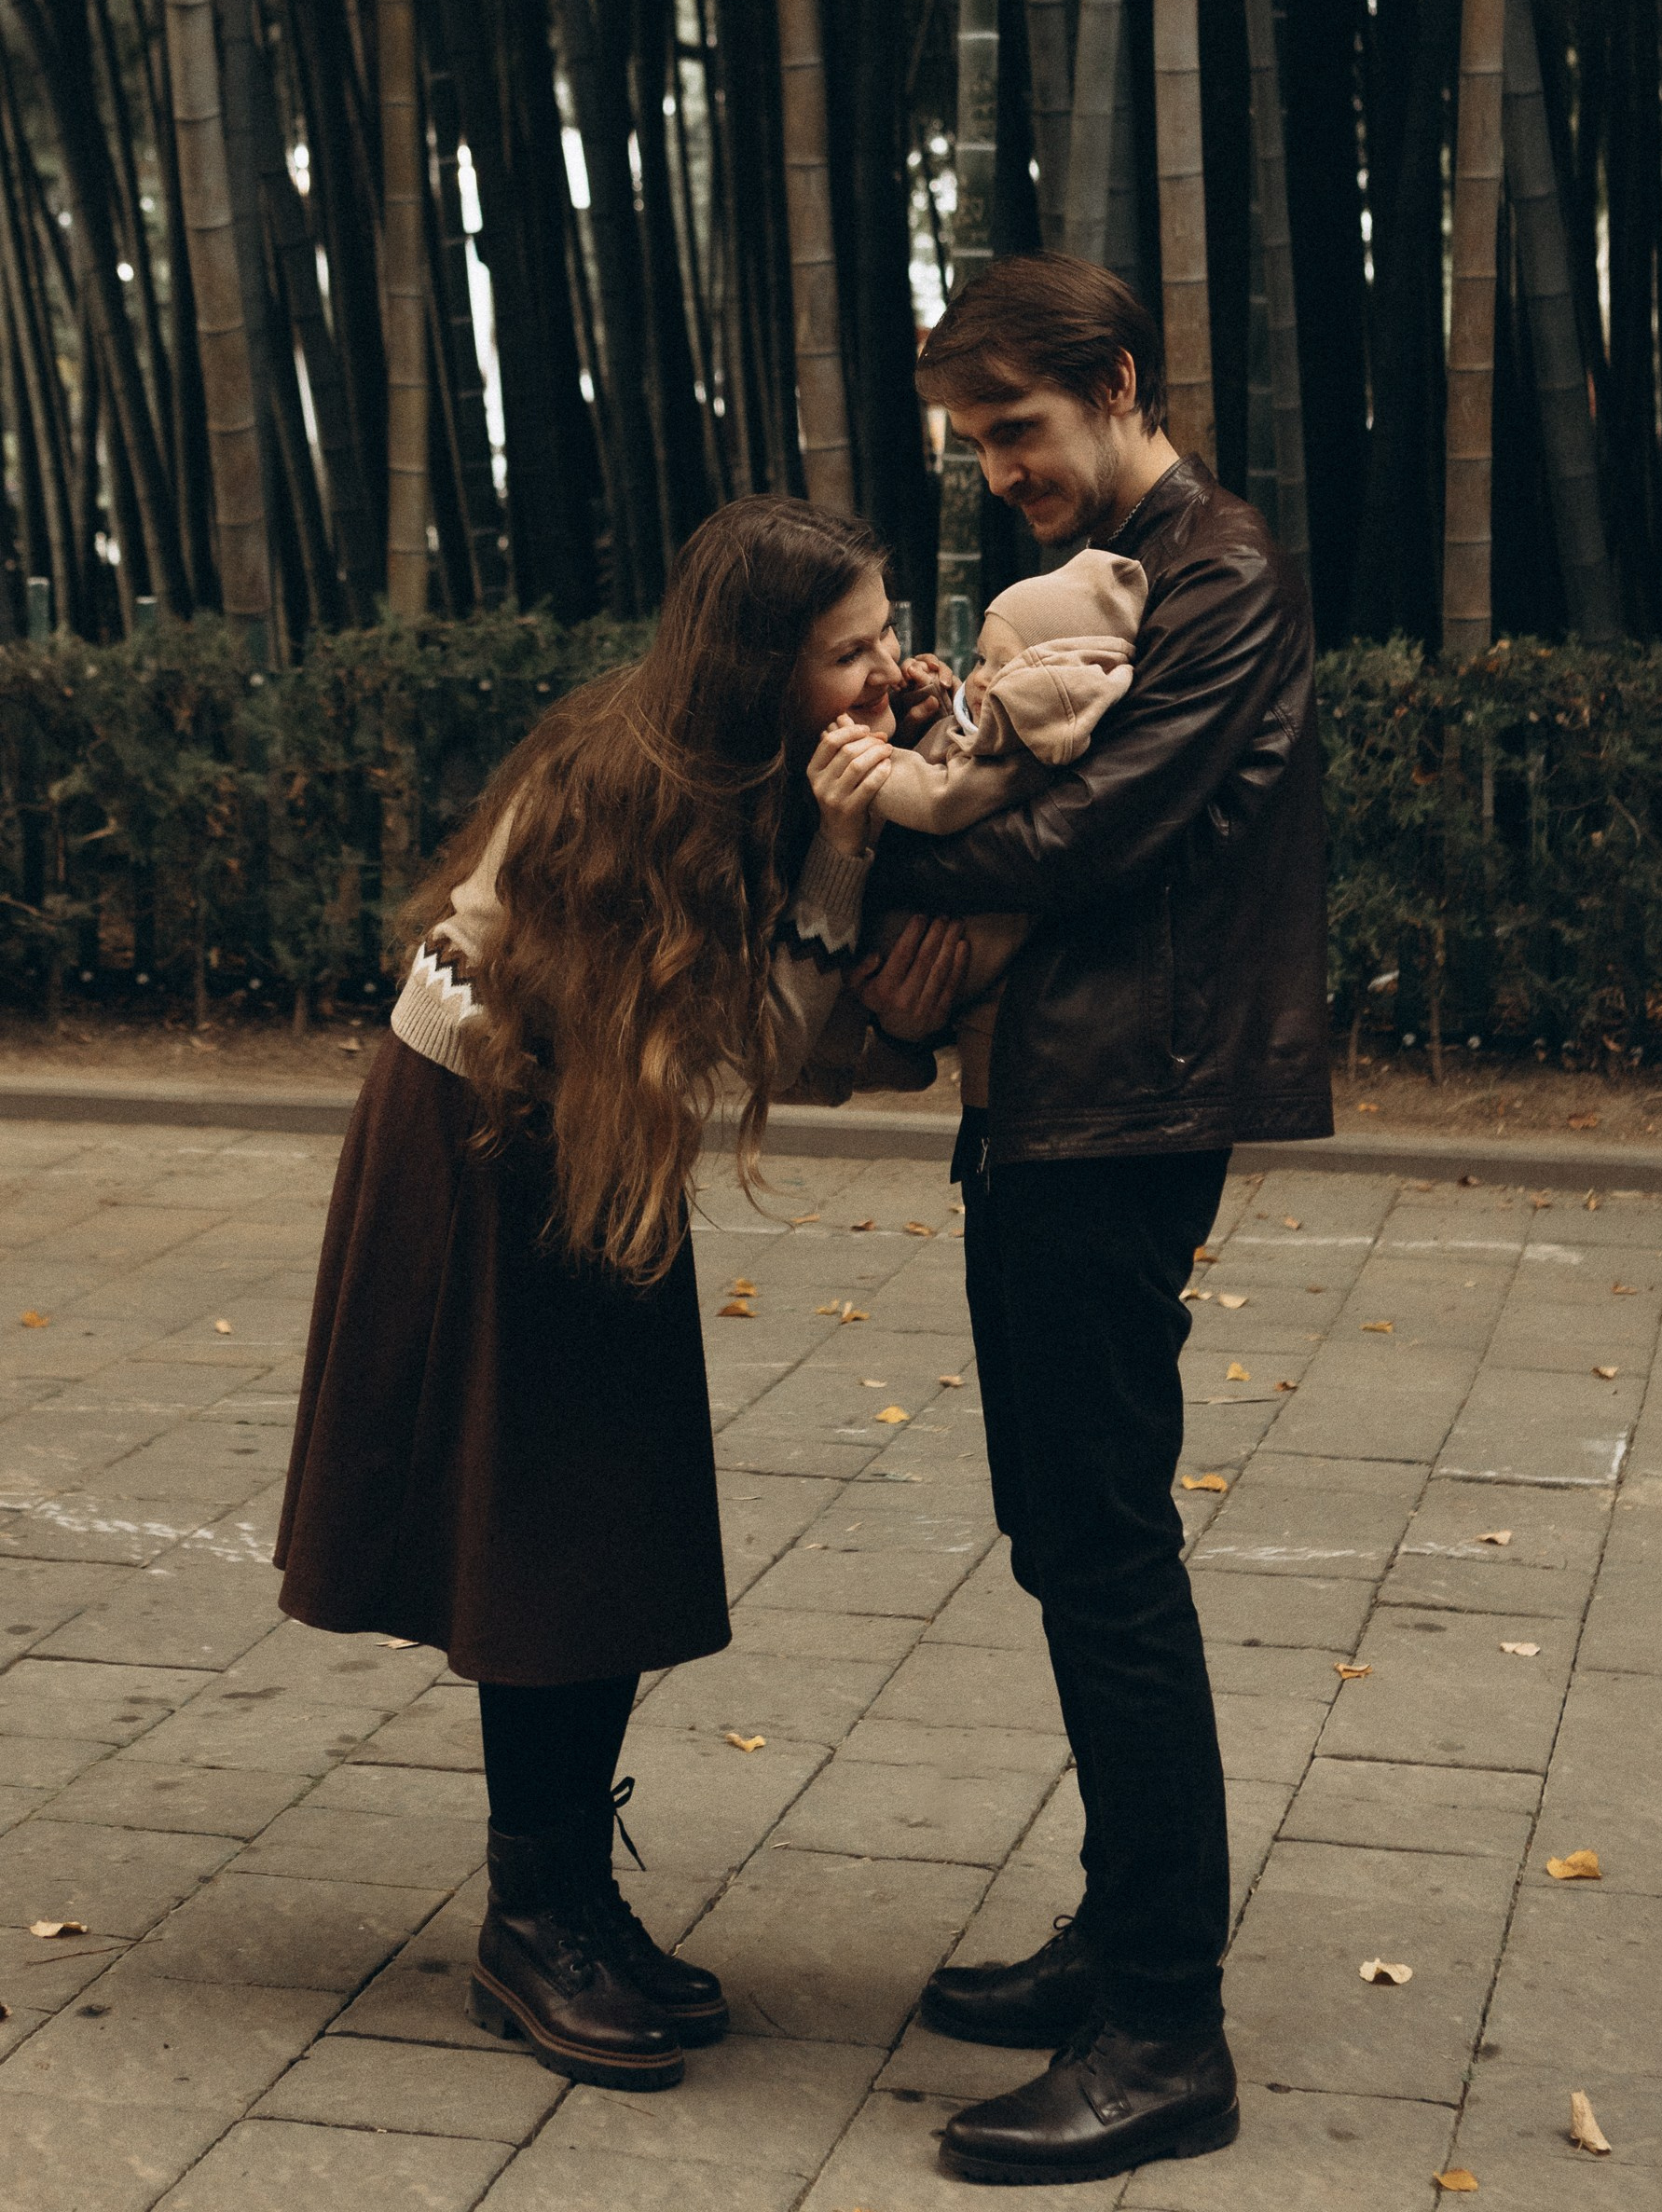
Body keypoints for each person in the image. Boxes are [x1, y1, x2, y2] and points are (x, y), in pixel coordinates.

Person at [275, 499, 965, 2095]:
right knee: (544, 1534)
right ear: (757, 662)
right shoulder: (635, 784)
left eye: (883, 632)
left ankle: (568, 1897)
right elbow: (780, 1041)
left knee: (599, 1526)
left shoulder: (748, 765)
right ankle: (534, 1928)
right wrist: (856, 829)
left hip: (586, 1147)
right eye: (847, 649)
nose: (881, 668)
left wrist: (877, 774)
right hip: (485, 1143)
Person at [872, 254, 1332, 2186]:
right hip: (1056, 1092)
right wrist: (957, 728)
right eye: (973, 446)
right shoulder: (1127, 574)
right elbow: (1043, 784)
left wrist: (913, 801)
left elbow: (1090, 831)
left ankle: (1163, 2025)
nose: (997, 473)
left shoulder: (1213, 573)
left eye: (1019, 431)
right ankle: (1121, 1928)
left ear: (1118, 384)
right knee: (1064, 1528)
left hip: (1126, 1109)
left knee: (1107, 1538)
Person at [830, 546, 1149, 1108]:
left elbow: (939, 798)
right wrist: (932, 701)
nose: (978, 681)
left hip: (972, 942)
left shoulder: (1028, 747)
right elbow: (959, 740)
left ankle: (888, 1051)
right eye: (979, 659)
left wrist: (868, 758)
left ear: (1045, 681)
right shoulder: (1008, 722)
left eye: (1000, 668)